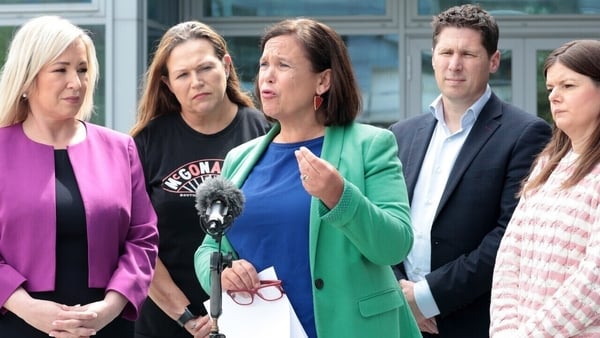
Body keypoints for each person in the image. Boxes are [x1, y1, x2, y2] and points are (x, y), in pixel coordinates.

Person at [194, 18, 421, 338]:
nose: (267, 76)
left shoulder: (371, 145)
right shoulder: (239, 159)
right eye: (263, 64)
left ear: (323, 81)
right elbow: (208, 249)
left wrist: (340, 196)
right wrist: (222, 273)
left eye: (283, 65)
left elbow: (394, 246)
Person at [388, 4, 552, 337]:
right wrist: (400, 295)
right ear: (432, 57)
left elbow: (509, 237)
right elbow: (382, 221)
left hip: (472, 320)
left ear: (493, 61)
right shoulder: (401, 134)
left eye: (469, 54)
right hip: (398, 317)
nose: (454, 64)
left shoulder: (526, 133)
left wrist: (426, 297)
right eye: (445, 51)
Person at [0, 15, 159, 338]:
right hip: (15, 323)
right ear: (28, 79)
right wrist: (26, 306)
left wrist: (109, 308)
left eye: (83, 69)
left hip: (105, 326)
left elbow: (143, 239)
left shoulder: (120, 148)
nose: (77, 82)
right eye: (61, 70)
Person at [130, 21, 271, 338]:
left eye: (205, 68)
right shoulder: (145, 143)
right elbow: (136, 243)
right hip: (165, 323)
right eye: (182, 74)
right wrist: (188, 317)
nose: (196, 82)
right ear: (168, 84)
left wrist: (230, 310)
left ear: (226, 65)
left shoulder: (265, 132)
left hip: (254, 314)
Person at [490, 39, 600, 337]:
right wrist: (504, 330)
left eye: (568, 86)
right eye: (551, 88)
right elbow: (509, 257)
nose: (554, 97)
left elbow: (594, 281)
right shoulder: (548, 164)